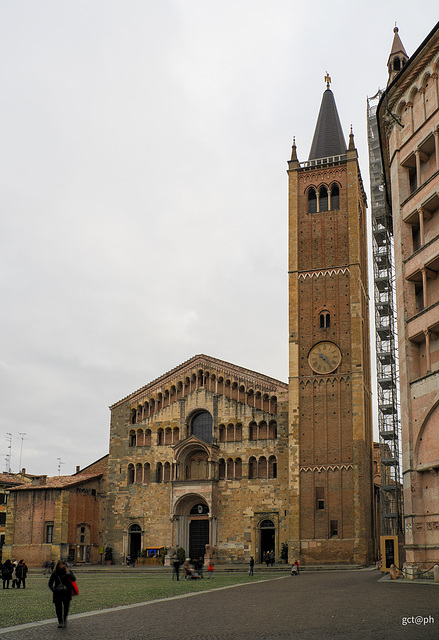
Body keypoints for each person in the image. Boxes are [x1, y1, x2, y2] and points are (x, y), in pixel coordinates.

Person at [48, 561, 77, 628]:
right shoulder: (55, 573)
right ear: (58, 566)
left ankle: (64, 620)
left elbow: (73, 579)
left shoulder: (68, 572)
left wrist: (68, 573)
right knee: (58, 608)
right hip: (57, 593)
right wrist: (54, 590)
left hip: (66, 593)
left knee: (66, 608)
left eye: (63, 565)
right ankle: (60, 621)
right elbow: (50, 583)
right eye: (61, 565)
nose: (62, 566)